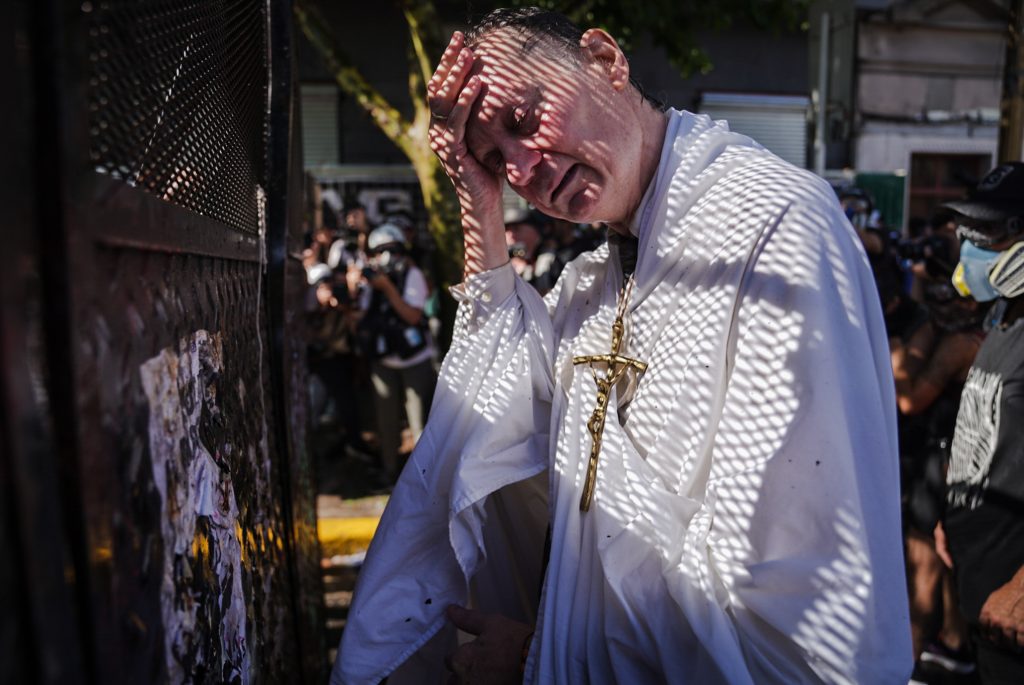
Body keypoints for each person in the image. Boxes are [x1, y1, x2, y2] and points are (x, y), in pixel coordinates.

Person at [334, 8, 910, 684]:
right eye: (495, 160)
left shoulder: (771, 230)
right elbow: (494, 415)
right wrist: (478, 206)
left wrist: (541, 661)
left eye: (524, 118)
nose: (523, 168)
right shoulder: (597, 279)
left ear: (606, 61)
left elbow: (791, 585)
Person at [936, 161, 1024, 684]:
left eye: (987, 233)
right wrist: (953, 512)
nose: (969, 245)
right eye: (966, 229)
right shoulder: (1004, 316)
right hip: (984, 593)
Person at [352, 223, 437, 481]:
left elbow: (412, 316)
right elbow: (359, 318)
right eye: (381, 251)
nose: (387, 257)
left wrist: (388, 288)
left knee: (420, 422)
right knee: (386, 421)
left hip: (415, 360)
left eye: (393, 250)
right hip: (384, 360)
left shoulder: (412, 275)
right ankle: (389, 471)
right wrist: (353, 289)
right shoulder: (371, 280)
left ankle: (425, 477)